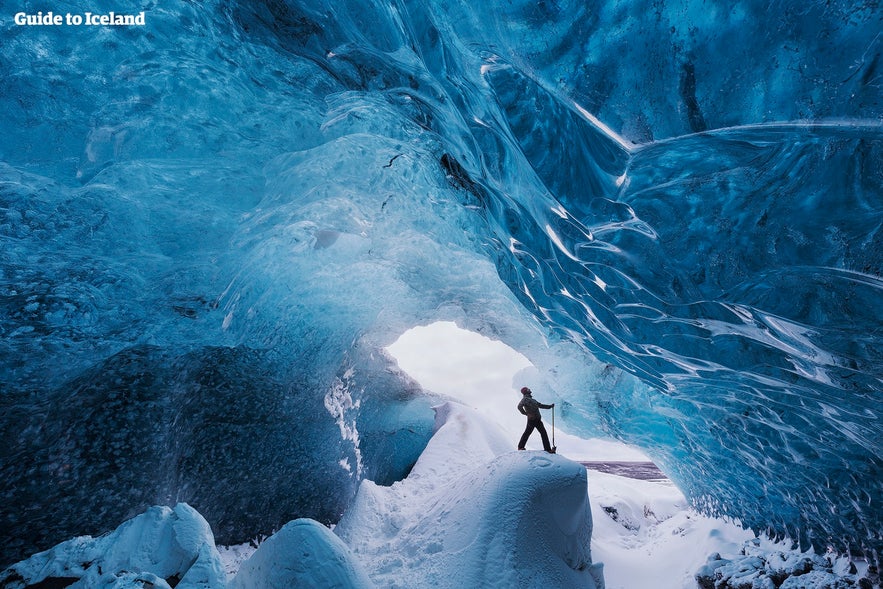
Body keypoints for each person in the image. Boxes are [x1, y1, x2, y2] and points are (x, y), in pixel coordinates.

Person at [516, 386, 555, 453]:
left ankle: (548, 449)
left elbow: (540, 405)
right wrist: (526, 414)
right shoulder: (525, 399)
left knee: (541, 433)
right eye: (528, 389)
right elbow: (519, 406)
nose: (529, 390)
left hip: (537, 419)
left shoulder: (533, 400)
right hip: (532, 419)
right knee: (529, 433)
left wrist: (550, 406)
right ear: (526, 391)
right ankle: (520, 447)